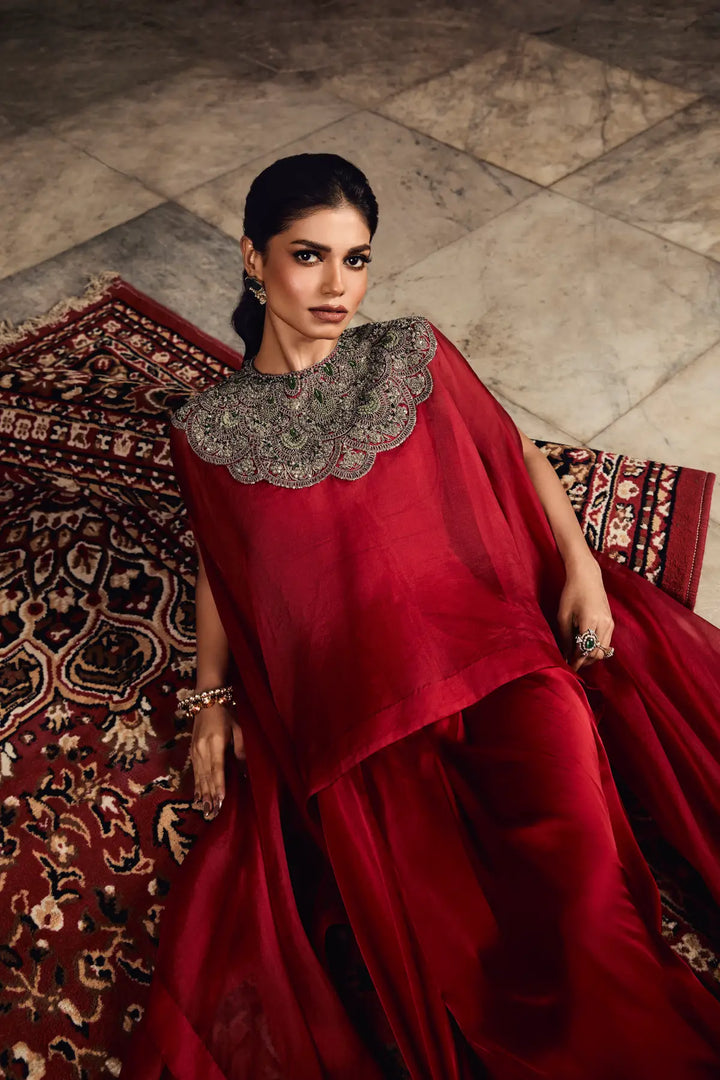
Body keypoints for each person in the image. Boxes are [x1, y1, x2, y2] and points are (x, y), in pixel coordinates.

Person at [122, 154, 720, 1080]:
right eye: (309, 255)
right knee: (459, 955)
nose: (337, 286)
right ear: (253, 258)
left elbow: (511, 451)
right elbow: (223, 557)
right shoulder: (206, 432)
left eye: (355, 260)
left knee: (588, 903)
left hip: (499, 658)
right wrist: (210, 698)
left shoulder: (411, 353)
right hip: (363, 720)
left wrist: (580, 571)